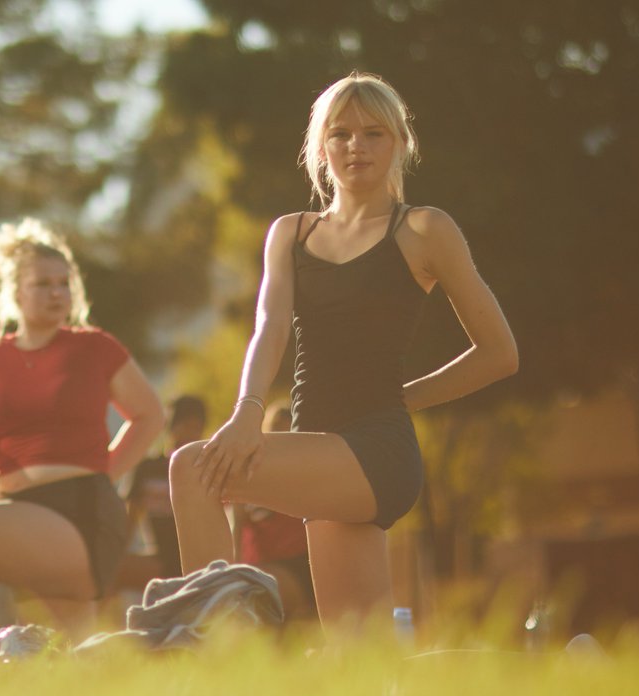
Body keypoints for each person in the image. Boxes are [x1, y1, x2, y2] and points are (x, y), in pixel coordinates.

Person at [170, 72, 518, 634]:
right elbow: (269, 327)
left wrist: (401, 399)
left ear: (400, 143)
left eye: (374, 133)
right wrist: (247, 411)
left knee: (194, 469)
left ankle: (217, 659)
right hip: (320, 449)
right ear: (320, 147)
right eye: (342, 134)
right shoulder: (291, 233)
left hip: (375, 451)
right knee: (358, 655)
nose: (357, 145)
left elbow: (499, 353)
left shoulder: (424, 230)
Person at [0, 218, 164, 639]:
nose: (56, 293)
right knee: (59, 662)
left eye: (63, 284)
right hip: (20, 519)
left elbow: (149, 416)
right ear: (14, 292)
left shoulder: (94, 347)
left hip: (81, 513)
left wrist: (106, 472)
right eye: (43, 284)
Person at [231, 400, 316, 621]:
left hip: (302, 564)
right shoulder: (246, 473)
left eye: (287, 427)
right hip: (263, 565)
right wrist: (233, 566)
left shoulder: (305, 470)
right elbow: (237, 524)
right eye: (275, 426)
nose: (280, 433)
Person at [114, 395, 207, 591]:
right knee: (106, 571)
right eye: (186, 425)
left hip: (197, 564)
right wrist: (115, 555)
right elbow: (130, 518)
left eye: (197, 427)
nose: (192, 433)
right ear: (172, 426)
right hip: (158, 559)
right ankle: (104, 622)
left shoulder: (205, 469)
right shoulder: (147, 469)